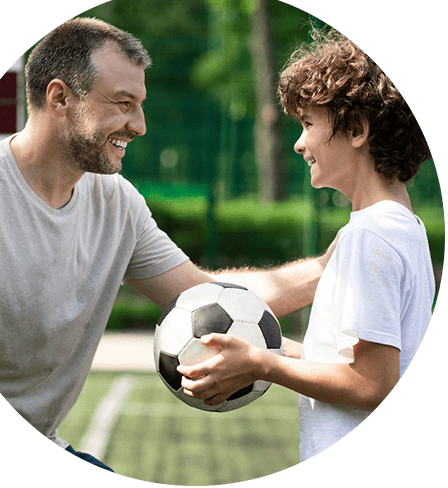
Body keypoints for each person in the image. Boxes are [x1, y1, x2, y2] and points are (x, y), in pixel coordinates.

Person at [0, 18, 334, 472]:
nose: (140, 125)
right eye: (123, 104)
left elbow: (207, 298)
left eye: (140, 105)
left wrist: (329, 269)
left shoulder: (116, 202)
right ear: (60, 98)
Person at [178, 27, 435, 462]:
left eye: (308, 123)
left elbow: (373, 384)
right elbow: (345, 361)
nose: (299, 143)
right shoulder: (404, 227)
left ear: (356, 129)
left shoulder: (370, 234)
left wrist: (264, 366)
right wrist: (258, 344)